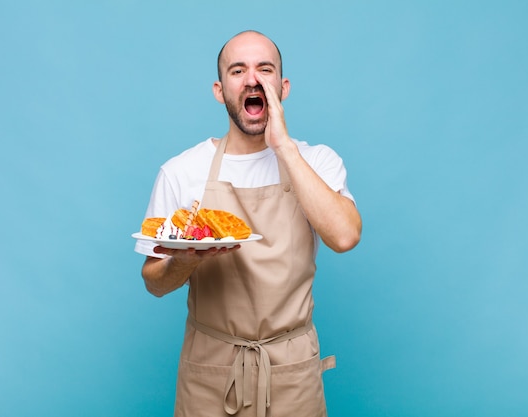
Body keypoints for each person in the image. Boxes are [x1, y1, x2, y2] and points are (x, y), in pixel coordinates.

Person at [135, 30, 361, 417]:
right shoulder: (181, 172)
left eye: (265, 69)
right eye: (237, 70)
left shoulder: (318, 162)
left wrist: (284, 146)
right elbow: (153, 282)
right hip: (211, 369)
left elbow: (344, 236)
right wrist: (185, 261)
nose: (252, 79)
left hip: (291, 372)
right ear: (219, 90)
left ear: (283, 87)